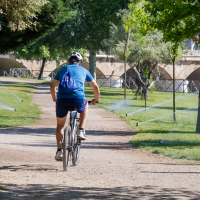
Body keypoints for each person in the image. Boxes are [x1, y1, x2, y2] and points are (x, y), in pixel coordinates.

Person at [50, 52, 100, 161]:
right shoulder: (84, 70)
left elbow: (52, 85)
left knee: (60, 126)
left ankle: (59, 151)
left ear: (69, 61)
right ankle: (81, 130)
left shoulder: (63, 69)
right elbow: (95, 87)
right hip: (78, 99)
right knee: (85, 104)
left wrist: (55, 98)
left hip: (62, 100)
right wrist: (96, 100)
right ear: (80, 63)